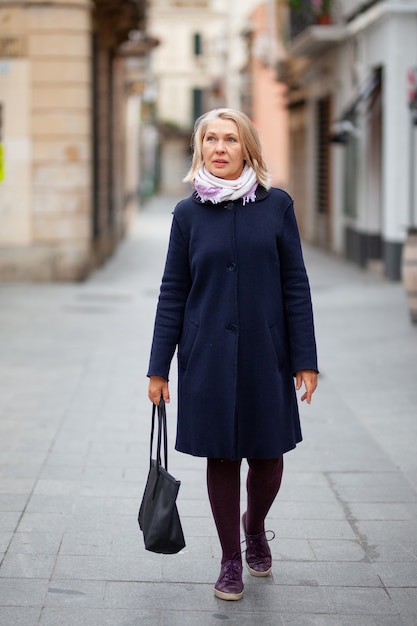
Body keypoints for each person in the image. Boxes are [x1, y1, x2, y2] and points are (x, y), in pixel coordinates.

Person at [147, 108, 318, 601]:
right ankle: (228, 560)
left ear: (248, 149)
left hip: (268, 353)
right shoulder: (187, 214)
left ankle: (255, 525)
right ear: (199, 148)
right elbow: (172, 291)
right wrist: (158, 367)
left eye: (230, 139)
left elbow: (296, 286)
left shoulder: (277, 206)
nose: (219, 148)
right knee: (221, 457)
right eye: (210, 140)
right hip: (207, 356)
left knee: (269, 457)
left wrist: (305, 358)